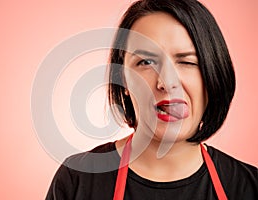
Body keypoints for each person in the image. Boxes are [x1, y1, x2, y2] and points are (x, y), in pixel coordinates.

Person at [46, 0, 258, 199]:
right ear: (123, 80)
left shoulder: (249, 186)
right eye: (146, 62)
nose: (166, 82)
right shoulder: (77, 180)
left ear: (212, 77)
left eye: (187, 62)